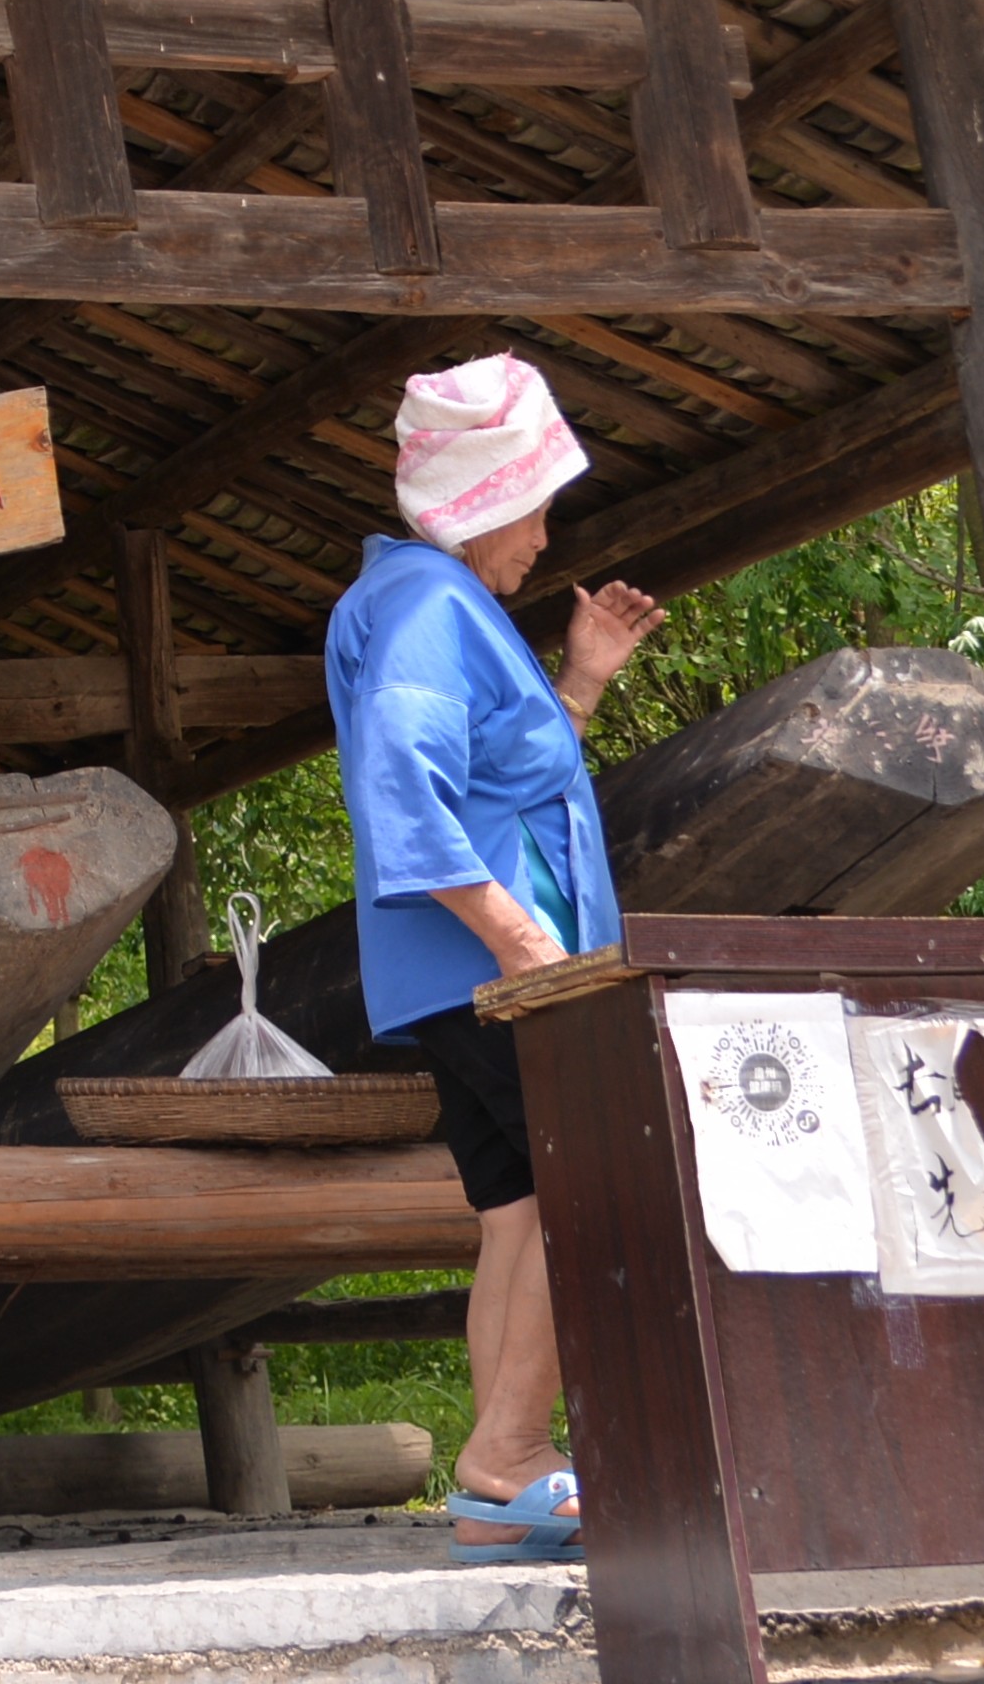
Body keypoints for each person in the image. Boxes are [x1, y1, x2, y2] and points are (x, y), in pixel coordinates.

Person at [326, 352, 664, 1561]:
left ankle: (497, 1482)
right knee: (602, 1191)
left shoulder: (428, 602)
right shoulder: (427, 606)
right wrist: (535, 955)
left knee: (521, 1212)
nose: (543, 532)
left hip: (455, 972)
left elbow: (490, 789)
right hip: (499, 972)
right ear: (485, 498)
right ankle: (510, 1455)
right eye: (536, 504)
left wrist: (578, 680)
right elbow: (403, 793)